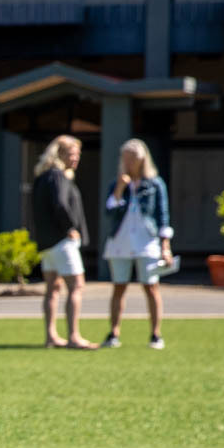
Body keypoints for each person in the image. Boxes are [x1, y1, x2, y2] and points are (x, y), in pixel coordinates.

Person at [99, 139, 174, 350]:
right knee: (119, 287)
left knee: (151, 287)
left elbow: (163, 216)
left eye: (133, 158)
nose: (129, 162)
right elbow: (109, 212)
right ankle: (114, 333)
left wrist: (165, 246)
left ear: (143, 159)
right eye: (126, 158)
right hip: (120, 241)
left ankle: (156, 334)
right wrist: (120, 188)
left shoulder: (155, 184)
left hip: (146, 242)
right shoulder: (117, 183)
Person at [30, 135, 93, 350]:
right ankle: (73, 336)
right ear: (60, 154)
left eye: (77, 154)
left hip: (47, 243)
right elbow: (60, 204)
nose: (76, 158)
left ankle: (51, 336)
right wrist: (70, 229)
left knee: (53, 288)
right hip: (61, 241)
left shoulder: (43, 176)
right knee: (76, 285)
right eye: (71, 154)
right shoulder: (58, 176)